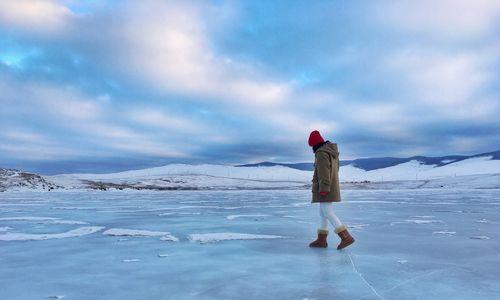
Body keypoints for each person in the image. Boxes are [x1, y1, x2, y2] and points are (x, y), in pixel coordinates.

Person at [308, 130, 354, 250]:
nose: (312, 148)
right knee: (323, 213)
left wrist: (324, 188)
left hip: (325, 188)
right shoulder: (330, 152)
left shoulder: (321, 153)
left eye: (312, 146)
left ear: (314, 144)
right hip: (329, 186)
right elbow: (334, 170)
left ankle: (345, 237)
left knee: (327, 212)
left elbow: (324, 172)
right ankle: (322, 239)